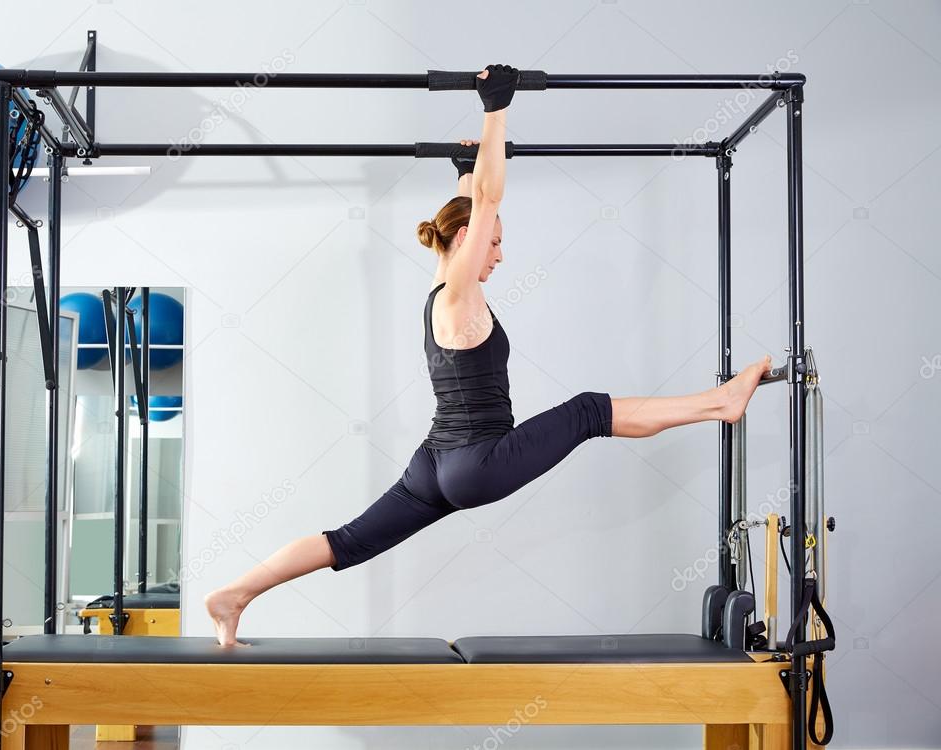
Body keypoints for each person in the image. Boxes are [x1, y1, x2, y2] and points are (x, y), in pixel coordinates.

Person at [205, 65, 771, 646]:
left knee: (346, 540)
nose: (498, 254)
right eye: (492, 241)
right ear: (465, 239)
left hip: (434, 466)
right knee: (587, 411)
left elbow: (471, 203)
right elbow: (488, 197)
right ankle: (719, 404)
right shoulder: (460, 293)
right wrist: (496, 107)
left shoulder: (438, 288)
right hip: (477, 463)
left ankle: (234, 595)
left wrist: (464, 170)